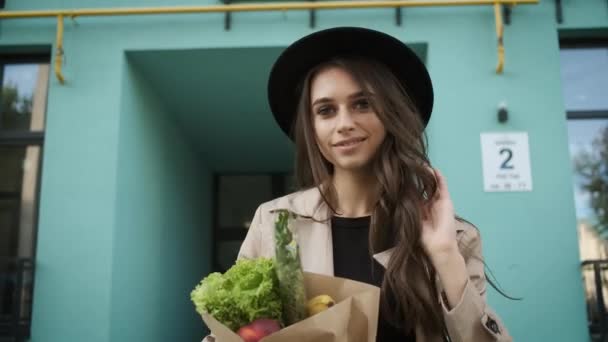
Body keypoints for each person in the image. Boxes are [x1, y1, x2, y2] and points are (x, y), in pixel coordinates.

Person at [211, 27, 512, 342]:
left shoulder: (455, 237)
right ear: (311, 127)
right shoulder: (273, 222)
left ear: (390, 113)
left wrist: (445, 254)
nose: (344, 124)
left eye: (363, 104)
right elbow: (230, 330)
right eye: (326, 111)